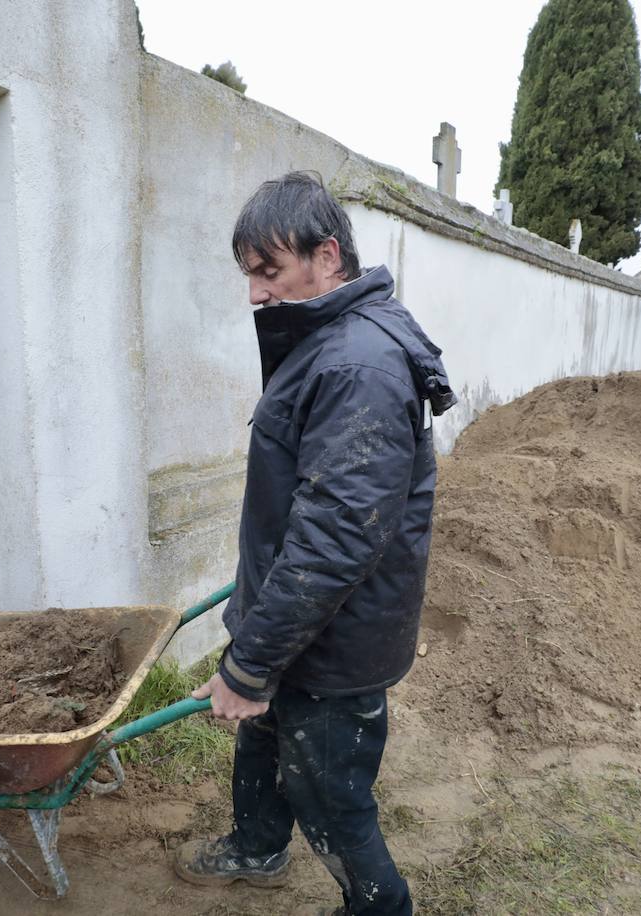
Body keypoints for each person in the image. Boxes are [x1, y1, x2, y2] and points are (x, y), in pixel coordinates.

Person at [175, 172, 455, 916]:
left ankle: (380, 906)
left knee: (329, 794)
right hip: (302, 625)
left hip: (335, 645)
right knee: (263, 743)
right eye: (249, 275)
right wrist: (255, 642)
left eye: (268, 272)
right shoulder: (331, 340)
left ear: (327, 256)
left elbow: (333, 540)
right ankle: (257, 846)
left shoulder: (357, 366)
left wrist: (251, 663)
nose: (256, 294)